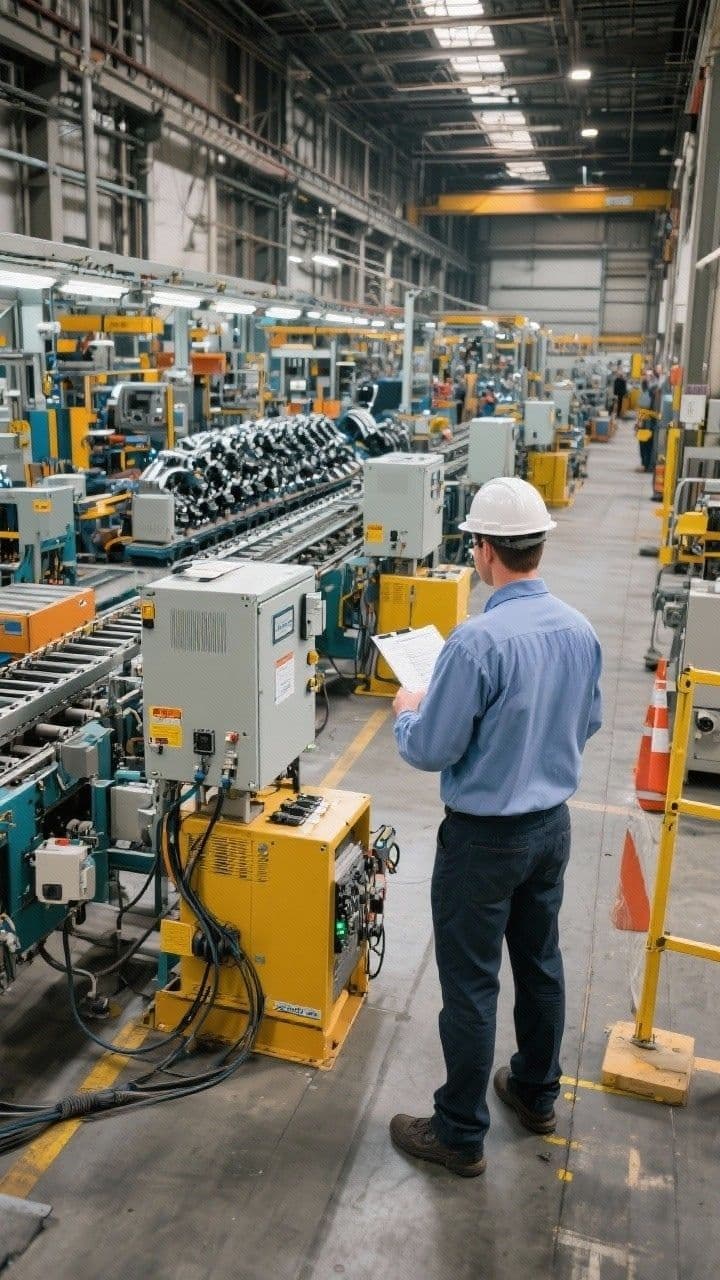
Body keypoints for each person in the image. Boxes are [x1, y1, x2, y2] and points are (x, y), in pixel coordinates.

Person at [389, 477, 602, 1178]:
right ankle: (537, 1093)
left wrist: (408, 707)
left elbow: (431, 749)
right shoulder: (579, 629)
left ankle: (458, 1133)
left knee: (473, 985)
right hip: (550, 829)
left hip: (483, 843)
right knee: (540, 963)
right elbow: (590, 722)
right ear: (536, 544)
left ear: (484, 551)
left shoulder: (476, 644)